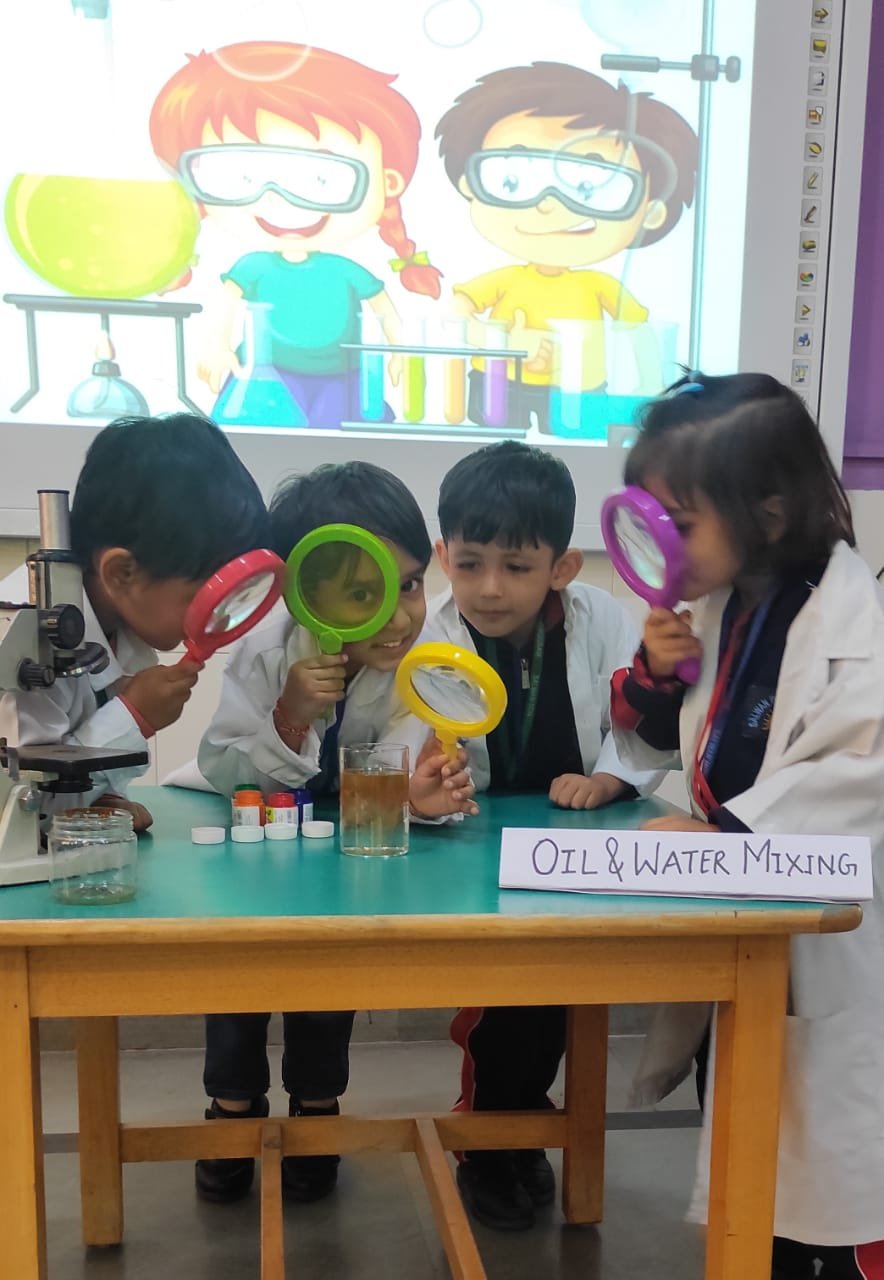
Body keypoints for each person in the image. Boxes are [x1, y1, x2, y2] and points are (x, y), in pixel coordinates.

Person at [609, 373, 884, 1280]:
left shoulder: (857, 629)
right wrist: (660, 676)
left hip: (825, 944)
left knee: (829, 1177)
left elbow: (857, 780)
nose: (660, 542)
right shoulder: (729, 606)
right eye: (649, 517)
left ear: (768, 515)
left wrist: (727, 838)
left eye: (680, 523)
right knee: (748, 1145)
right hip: (742, 923)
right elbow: (683, 740)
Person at [195, 460, 476, 1206]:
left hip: (354, 844)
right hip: (262, 841)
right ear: (303, 593)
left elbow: (422, 761)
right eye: (362, 593)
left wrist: (423, 795)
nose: (399, 616)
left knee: (332, 967)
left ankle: (317, 1106)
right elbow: (223, 766)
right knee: (240, 965)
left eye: (409, 585)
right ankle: (231, 1104)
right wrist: (290, 715)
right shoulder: (266, 649)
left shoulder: (428, 655)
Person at [423, 440, 662, 1231]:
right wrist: (431, 785)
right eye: (470, 563)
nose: (489, 588)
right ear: (444, 557)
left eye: (517, 567)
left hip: (574, 846)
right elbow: (415, 746)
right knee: (504, 1001)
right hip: (474, 848)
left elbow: (642, 729)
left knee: (558, 998)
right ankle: (488, 1141)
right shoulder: (433, 635)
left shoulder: (604, 619)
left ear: (562, 567)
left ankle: (523, 1125)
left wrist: (612, 778)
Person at [150, 41, 441, 429]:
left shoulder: (345, 270)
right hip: (264, 375)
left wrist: (400, 350)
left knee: (341, 441)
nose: (279, 200)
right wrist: (216, 346)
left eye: (322, 178)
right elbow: (225, 309)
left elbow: (386, 311)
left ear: (388, 182)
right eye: (242, 176)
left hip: (342, 377)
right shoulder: (252, 265)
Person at [0, 412, 269, 831]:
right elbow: (20, 804)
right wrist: (135, 715)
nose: (215, 617)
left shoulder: (122, 624)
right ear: (122, 573)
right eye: (202, 597)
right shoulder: (26, 633)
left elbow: (78, 752)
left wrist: (103, 796)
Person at [435, 64, 697, 432]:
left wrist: (650, 387)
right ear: (468, 184)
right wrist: (503, 341)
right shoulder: (504, 280)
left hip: (577, 392)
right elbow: (456, 313)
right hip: (499, 386)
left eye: (588, 187)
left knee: (576, 447)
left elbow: (638, 331)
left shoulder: (600, 287)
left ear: (651, 211)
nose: (548, 204)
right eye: (512, 180)